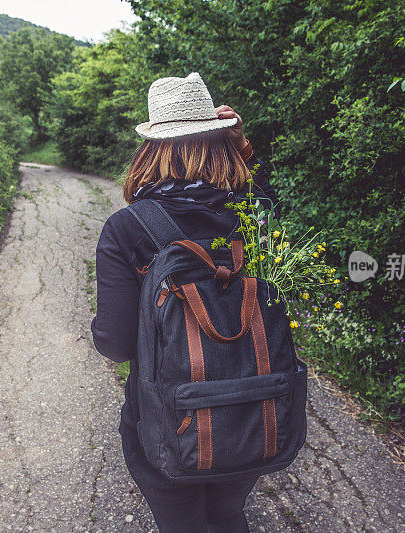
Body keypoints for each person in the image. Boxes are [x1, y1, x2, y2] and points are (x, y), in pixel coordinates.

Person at [90, 72, 281, 533]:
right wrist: (241, 146)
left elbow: (115, 343)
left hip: (167, 420)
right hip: (251, 413)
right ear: (219, 141)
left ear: (152, 146)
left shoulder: (127, 228)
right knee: (228, 513)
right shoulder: (254, 215)